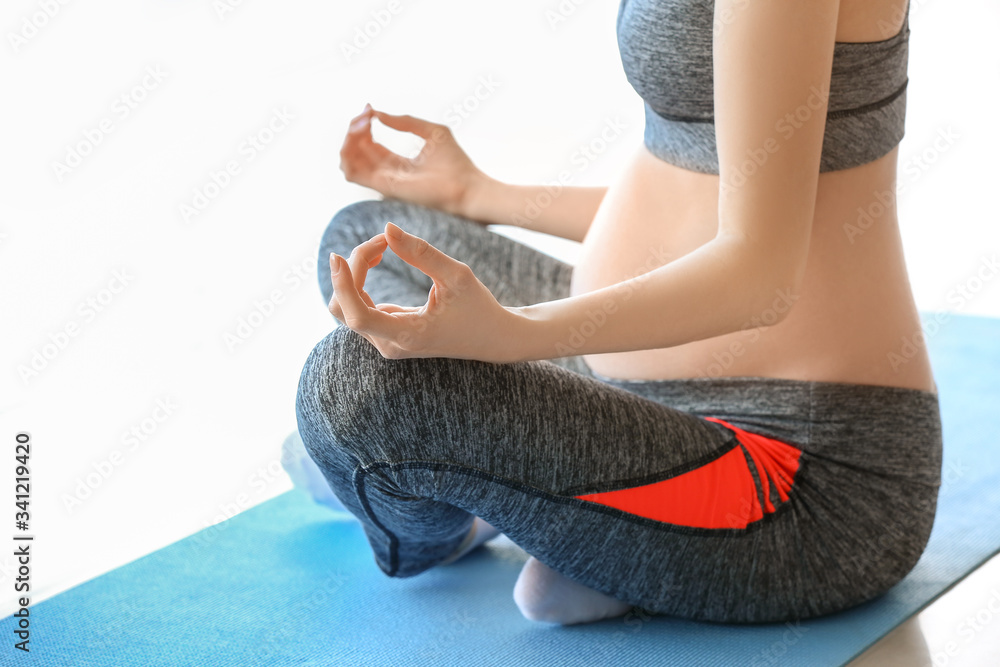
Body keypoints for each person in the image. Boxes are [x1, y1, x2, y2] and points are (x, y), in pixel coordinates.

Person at [294, 0, 942, 626]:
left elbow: (760, 277)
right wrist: (479, 195)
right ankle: (564, 513)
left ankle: (460, 508)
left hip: (789, 475)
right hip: (629, 384)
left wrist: (509, 336)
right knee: (367, 242)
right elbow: (700, 194)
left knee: (356, 387)